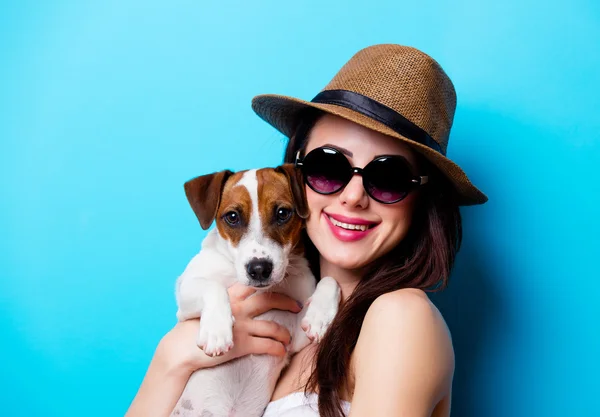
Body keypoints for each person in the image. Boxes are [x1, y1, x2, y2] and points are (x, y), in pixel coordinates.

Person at [126, 44, 487, 417]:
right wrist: (172, 357)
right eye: (328, 168)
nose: (353, 197)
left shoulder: (401, 318)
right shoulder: (282, 318)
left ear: (422, 200)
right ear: (297, 176)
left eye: (389, 178)